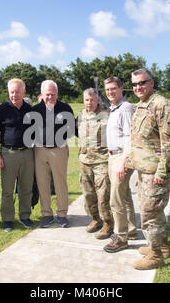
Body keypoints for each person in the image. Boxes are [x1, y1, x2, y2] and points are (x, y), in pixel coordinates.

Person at [126, 68, 170, 270]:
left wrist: (162, 172)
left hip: (156, 172)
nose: (138, 87)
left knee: (149, 214)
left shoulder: (162, 106)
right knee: (154, 212)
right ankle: (161, 246)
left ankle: (156, 256)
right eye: (134, 84)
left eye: (142, 83)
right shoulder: (142, 105)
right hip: (144, 170)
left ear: (152, 82)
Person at [0, 78, 35, 232]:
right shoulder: (1, 109)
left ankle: (25, 216)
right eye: (12, 92)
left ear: (24, 92)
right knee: (8, 190)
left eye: (17, 92)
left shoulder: (30, 110)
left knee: (26, 188)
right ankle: (8, 219)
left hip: (27, 153)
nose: (14, 95)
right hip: (8, 154)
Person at [31, 80, 75, 228]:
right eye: (47, 94)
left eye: (53, 94)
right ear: (42, 94)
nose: (50, 97)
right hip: (40, 150)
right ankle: (46, 214)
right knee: (43, 183)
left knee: (60, 183)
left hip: (59, 150)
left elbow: (71, 130)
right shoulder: (35, 110)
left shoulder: (65, 108)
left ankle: (62, 214)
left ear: (57, 94)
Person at [103, 76, 138, 253]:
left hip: (121, 157)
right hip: (113, 156)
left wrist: (122, 162)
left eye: (113, 89)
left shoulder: (125, 109)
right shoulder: (114, 108)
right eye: (107, 89)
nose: (110, 92)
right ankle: (131, 229)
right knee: (124, 196)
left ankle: (121, 237)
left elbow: (129, 138)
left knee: (115, 198)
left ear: (121, 89)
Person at [77, 88, 113, 239]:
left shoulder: (108, 115)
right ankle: (95, 219)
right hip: (85, 161)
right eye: (87, 100)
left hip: (101, 161)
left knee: (103, 195)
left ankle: (108, 223)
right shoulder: (81, 115)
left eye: (92, 100)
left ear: (98, 100)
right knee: (88, 194)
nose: (89, 102)